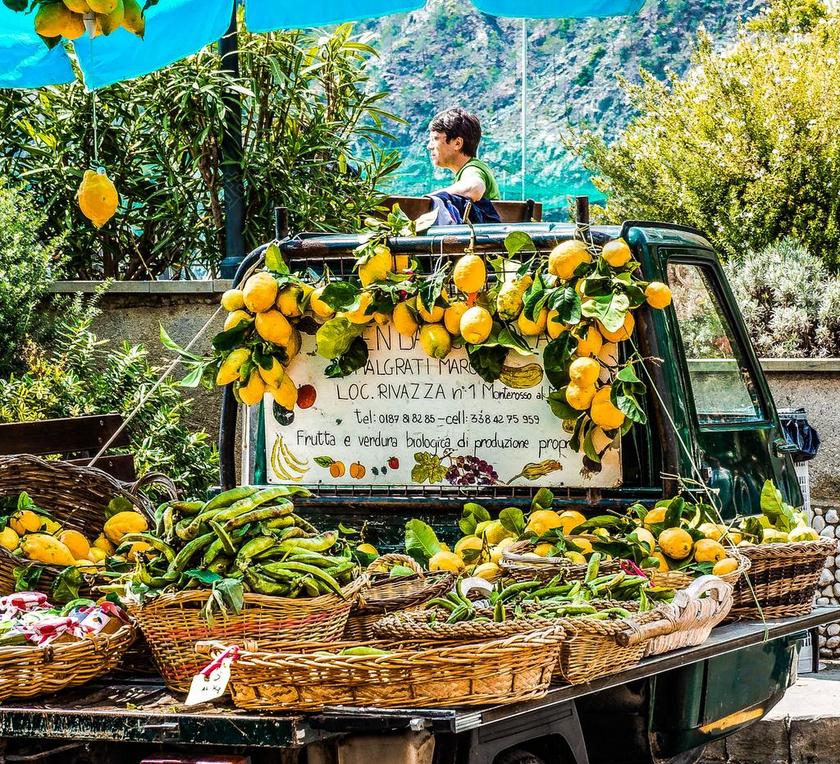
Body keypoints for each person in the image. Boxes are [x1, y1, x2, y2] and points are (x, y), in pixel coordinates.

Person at [426, 107, 500, 223]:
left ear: (457, 143)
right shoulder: (470, 169)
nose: (429, 146)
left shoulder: (472, 169)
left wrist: (428, 199)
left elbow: (474, 187)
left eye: (435, 139)